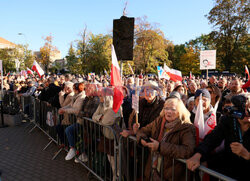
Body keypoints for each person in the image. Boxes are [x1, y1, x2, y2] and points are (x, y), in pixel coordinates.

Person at [186, 93, 250, 181]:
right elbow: (213, 138)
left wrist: (247, 155)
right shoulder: (228, 120)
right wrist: (198, 155)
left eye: (249, 108)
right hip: (229, 171)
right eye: (244, 108)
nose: (247, 112)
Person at [136, 97, 196, 181]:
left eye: (173, 109)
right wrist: (142, 139)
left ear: (180, 111)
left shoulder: (187, 127)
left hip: (171, 175)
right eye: (166, 108)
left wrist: (160, 147)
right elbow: (142, 131)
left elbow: (187, 150)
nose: (168, 111)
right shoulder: (159, 121)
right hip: (153, 171)